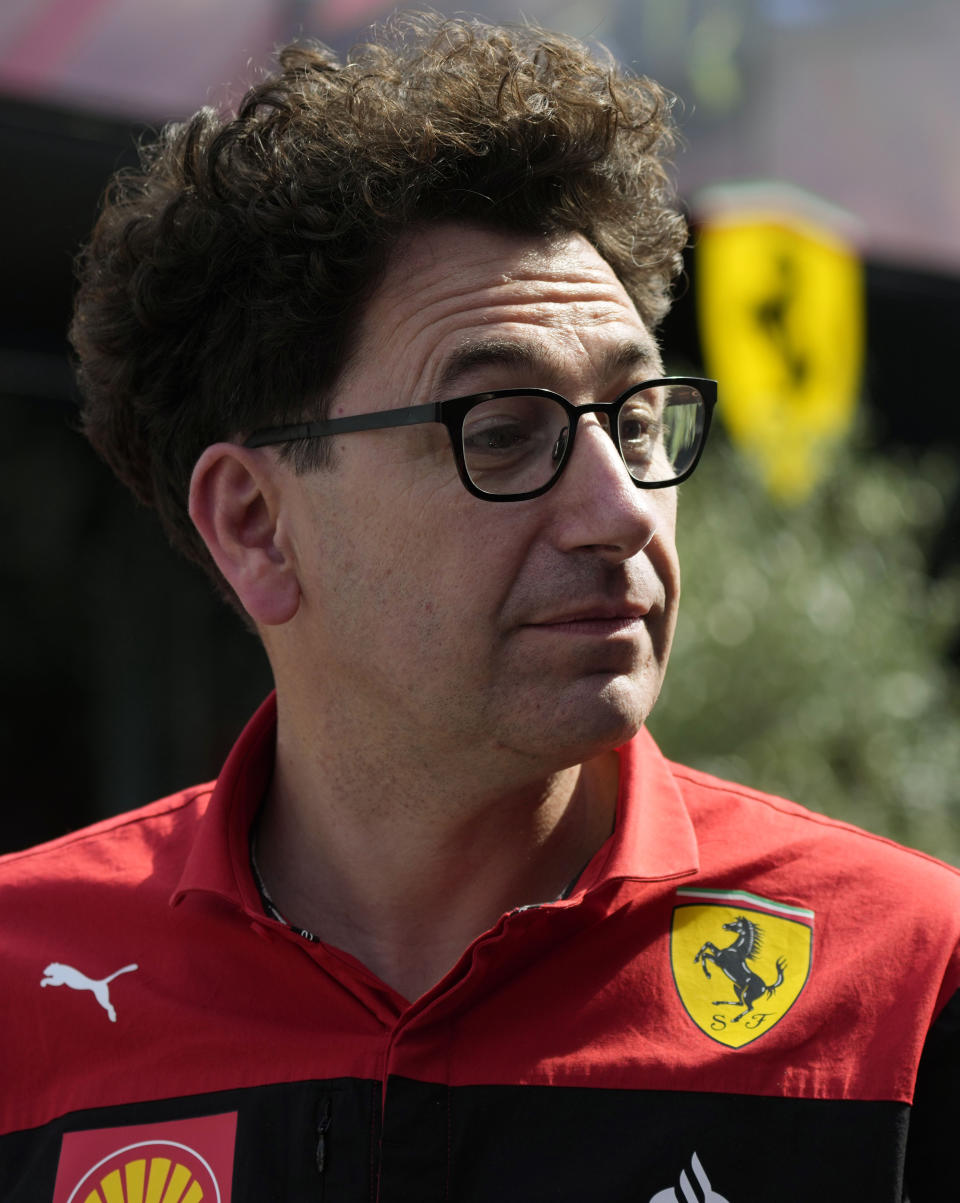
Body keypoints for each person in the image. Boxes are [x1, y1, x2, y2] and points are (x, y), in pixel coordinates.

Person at [2, 13, 957, 1201]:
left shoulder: (906, 985)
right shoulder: (21, 987)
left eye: (642, 420)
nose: (623, 510)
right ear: (255, 524)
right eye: (505, 434)